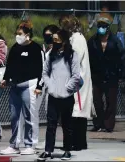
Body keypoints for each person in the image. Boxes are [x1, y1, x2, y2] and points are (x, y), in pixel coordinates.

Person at [0, 20, 44, 155]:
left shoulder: (36, 48)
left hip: (29, 85)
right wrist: (6, 79)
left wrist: (39, 86)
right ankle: (14, 144)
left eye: (20, 34)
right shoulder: (15, 48)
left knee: (29, 116)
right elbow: (10, 65)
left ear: (28, 34)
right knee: (14, 116)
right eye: (16, 34)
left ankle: (30, 144)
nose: (17, 36)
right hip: (15, 86)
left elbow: (42, 69)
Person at [37, 29, 80, 161]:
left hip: (67, 96)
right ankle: (48, 151)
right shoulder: (50, 54)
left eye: (57, 40)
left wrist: (67, 88)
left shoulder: (72, 55)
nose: (54, 42)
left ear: (64, 41)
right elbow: (45, 73)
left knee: (67, 125)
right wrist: (50, 86)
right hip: (53, 96)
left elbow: (76, 76)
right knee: (51, 124)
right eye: (53, 40)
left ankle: (67, 150)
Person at [87, 14, 125, 133]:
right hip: (96, 76)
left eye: (103, 26)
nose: (101, 28)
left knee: (111, 102)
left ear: (108, 28)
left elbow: (122, 57)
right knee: (97, 102)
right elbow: (88, 58)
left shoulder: (115, 41)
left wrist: (123, 73)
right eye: (99, 26)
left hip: (111, 76)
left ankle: (108, 125)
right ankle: (98, 124)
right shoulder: (92, 41)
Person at [60, 15, 94, 151]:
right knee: (77, 112)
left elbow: (75, 59)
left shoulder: (77, 39)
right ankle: (78, 142)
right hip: (77, 79)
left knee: (76, 111)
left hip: (78, 80)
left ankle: (77, 143)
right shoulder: (74, 38)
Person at [35, 24, 60, 150]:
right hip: (46, 84)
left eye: (50, 35)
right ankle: (48, 142)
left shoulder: (59, 50)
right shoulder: (45, 50)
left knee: (58, 116)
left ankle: (67, 143)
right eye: (46, 35)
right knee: (48, 114)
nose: (47, 38)